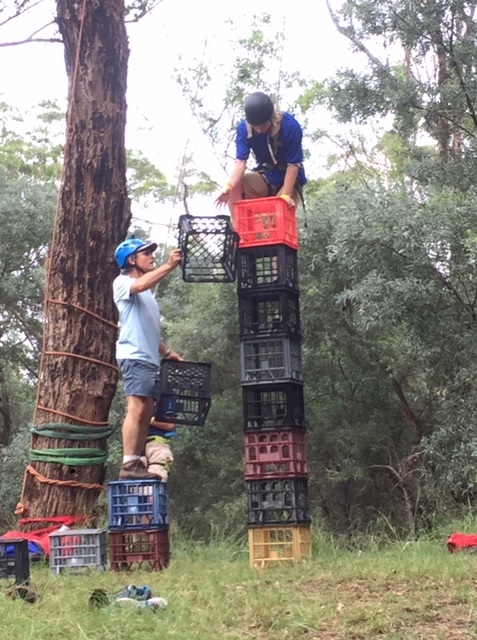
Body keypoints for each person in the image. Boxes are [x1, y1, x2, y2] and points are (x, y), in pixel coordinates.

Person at [113, 237, 182, 480]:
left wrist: (167, 352)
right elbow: (140, 286)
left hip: (149, 358)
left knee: (147, 409)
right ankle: (129, 464)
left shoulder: (147, 295)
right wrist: (169, 265)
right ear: (132, 260)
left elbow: (148, 329)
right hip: (134, 356)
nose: (152, 256)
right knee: (137, 406)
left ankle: (137, 462)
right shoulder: (122, 282)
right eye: (146, 253)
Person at [215, 91, 306, 213]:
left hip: (289, 178)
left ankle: (280, 210)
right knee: (235, 186)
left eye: (263, 126)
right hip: (267, 175)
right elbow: (241, 163)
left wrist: (285, 195)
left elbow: (293, 165)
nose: (259, 130)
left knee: (276, 215)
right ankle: (239, 230)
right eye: (255, 126)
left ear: (271, 118)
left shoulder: (290, 126)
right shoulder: (244, 129)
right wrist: (228, 187)